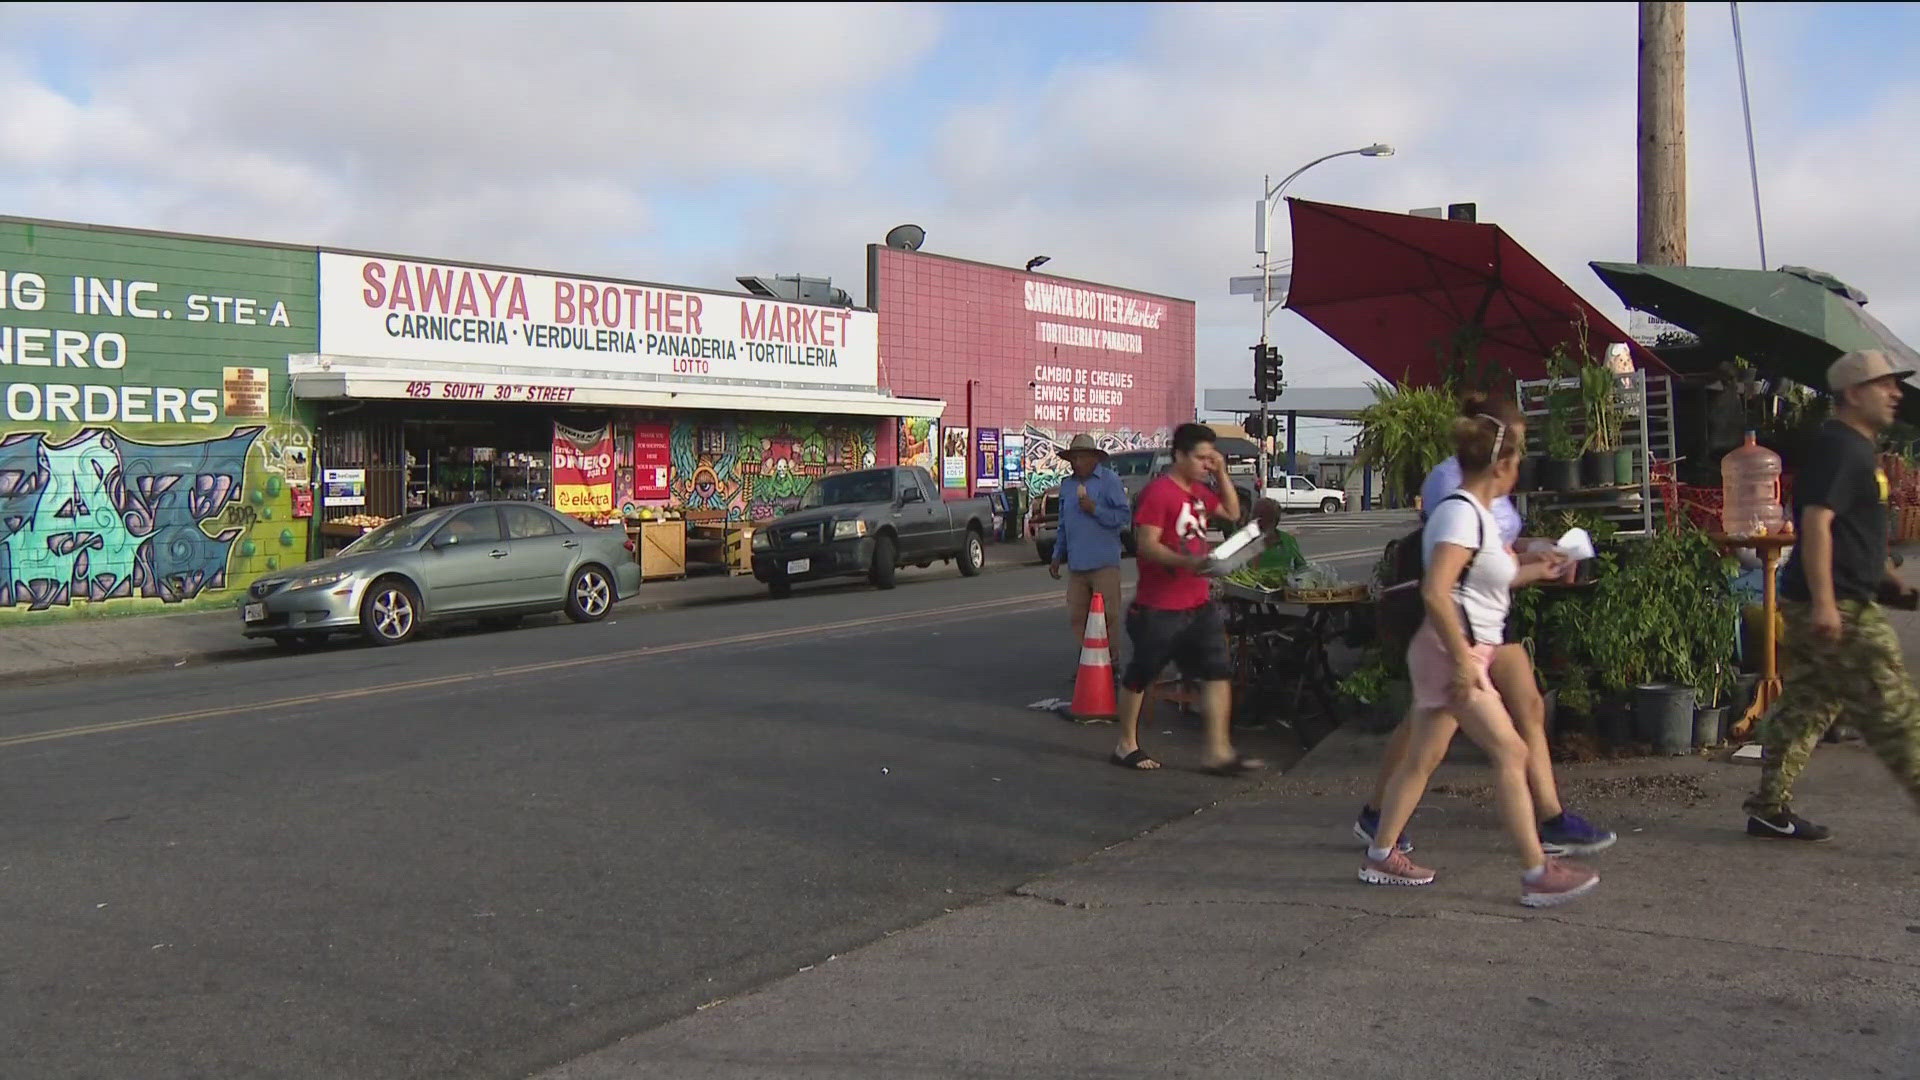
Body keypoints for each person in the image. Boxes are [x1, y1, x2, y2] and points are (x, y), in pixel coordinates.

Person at [1361, 397, 1602, 907]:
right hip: (1455, 649)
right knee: (1510, 750)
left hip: (1457, 648)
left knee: (1423, 756)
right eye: (1519, 461)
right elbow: (1436, 590)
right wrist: (1466, 664)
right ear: (1503, 466)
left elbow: (1499, 577)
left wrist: (1545, 568)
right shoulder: (1461, 515)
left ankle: (1381, 852)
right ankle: (1537, 871)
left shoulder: (1477, 516)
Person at [1743, 349, 1920, 840]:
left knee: (1808, 706)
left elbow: (1853, 528)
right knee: (1897, 713)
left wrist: (1886, 577)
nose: (1895, 393)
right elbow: (1817, 522)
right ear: (1853, 393)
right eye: (1884, 384)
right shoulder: (1841, 447)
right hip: (1837, 605)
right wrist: (1824, 603)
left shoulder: (1858, 449)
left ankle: (1767, 808)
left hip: (1837, 597)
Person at [1109, 423, 1263, 775]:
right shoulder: (1158, 493)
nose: (1206, 464)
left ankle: (1218, 752)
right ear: (1179, 455)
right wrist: (1188, 562)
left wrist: (1222, 472)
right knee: (1141, 674)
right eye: (1201, 458)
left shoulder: (1198, 493)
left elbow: (1232, 512)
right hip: (1158, 608)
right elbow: (1146, 546)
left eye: (1211, 458)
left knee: (1217, 672)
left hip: (1198, 603)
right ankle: (1125, 744)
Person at [1050, 434, 1130, 670]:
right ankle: (1088, 663)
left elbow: (1123, 517)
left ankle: (1112, 662)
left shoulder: (1109, 481)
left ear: (1094, 458)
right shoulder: (1068, 485)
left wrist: (1095, 509)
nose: (1077, 462)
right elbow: (1064, 523)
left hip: (1104, 561)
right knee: (1077, 615)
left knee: (1108, 616)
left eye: (1082, 457)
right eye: (1074, 458)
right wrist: (1057, 555)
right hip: (1077, 563)